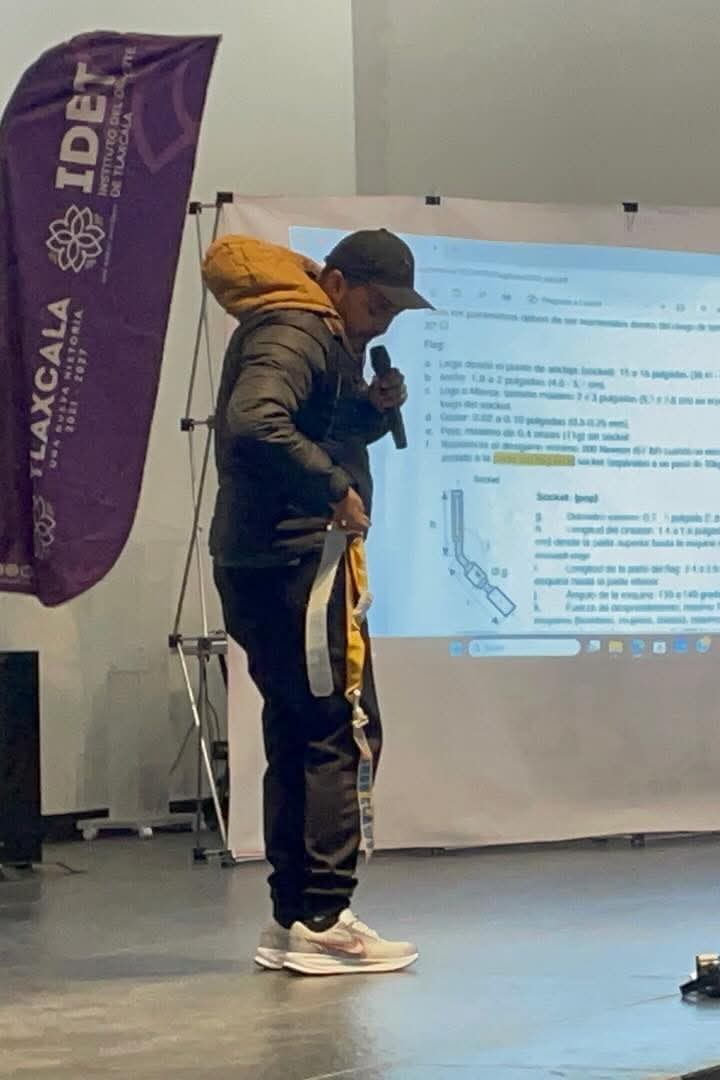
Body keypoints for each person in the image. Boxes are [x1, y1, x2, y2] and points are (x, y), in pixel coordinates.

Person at [204, 228, 430, 974]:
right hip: (299, 565)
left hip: (270, 561)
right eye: (377, 303)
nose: (384, 321)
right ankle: (325, 920)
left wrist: (369, 410)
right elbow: (255, 422)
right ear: (335, 282)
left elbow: (307, 423)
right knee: (340, 731)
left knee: (302, 732)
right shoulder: (297, 329)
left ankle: (295, 919)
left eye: (395, 311)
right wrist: (335, 487)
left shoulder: (309, 331)